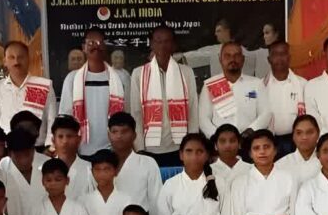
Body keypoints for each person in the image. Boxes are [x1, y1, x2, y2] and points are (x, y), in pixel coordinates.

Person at [130, 25, 199, 164]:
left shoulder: (186, 72)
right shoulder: (139, 74)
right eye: (158, 41)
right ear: (151, 44)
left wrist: (192, 144)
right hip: (149, 148)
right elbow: (136, 113)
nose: (163, 45)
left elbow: (192, 109)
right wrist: (139, 148)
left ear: (173, 45)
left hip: (180, 147)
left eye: (167, 41)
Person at [59, 28, 132, 155]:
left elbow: (128, 114)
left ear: (105, 46)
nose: (96, 47)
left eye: (100, 43)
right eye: (91, 43)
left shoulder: (121, 78)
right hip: (81, 151)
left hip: (113, 151)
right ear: (84, 47)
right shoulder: (72, 78)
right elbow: (65, 116)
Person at [225, 130, 298, 215]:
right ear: (250, 153)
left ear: (275, 150)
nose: (262, 151)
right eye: (256, 148)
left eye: (266, 147)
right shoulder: (240, 182)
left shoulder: (289, 178)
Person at [154, 134, 227, 215]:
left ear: (207, 155)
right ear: (181, 155)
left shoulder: (219, 182)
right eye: (189, 151)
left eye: (200, 152)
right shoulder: (170, 184)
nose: (194, 156)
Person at [0, 41, 56, 142]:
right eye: (12, 57)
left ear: (28, 59)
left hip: (37, 147)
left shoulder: (44, 85)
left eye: (21, 57)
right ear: (5, 61)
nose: (16, 62)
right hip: (7, 146)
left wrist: (50, 146)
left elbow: (52, 120)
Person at [198, 42, 272, 138]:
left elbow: (265, 113)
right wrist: (219, 138)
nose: (232, 59)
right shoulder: (210, 85)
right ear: (220, 59)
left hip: (249, 140)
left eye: (236, 55)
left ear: (243, 59)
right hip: (220, 143)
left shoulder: (256, 84)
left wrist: (249, 133)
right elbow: (203, 119)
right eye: (227, 56)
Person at [107, 112, 163, 211]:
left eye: (124, 131)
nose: (119, 136)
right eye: (114, 131)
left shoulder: (148, 163)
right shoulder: (100, 164)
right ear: (108, 135)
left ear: (134, 135)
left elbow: (156, 202)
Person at [262, 42, 307, 156]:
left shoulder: (303, 84)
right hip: (269, 141)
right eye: (275, 54)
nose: (279, 58)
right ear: (269, 59)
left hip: (296, 142)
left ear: (289, 57)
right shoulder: (261, 86)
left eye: (283, 54)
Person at [0, 127, 46, 215]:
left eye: (27, 155)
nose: (24, 161)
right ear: (9, 154)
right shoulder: (2, 169)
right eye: (18, 156)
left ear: (33, 150)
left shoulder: (47, 165)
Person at [180, 18, 257, 77]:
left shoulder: (243, 52)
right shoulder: (214, 49)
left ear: (227, 31)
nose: (215, 34)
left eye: (219, 31)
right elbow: (199, 53)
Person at [49, 116, 95, 199]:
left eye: (69, 136)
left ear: (78, 139)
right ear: (53, 140)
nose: (65, 141)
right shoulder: (45, 169)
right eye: (60, 136)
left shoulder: (90, 169)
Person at [275, 114, 322, 187]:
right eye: (299, 133)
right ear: (293, 136)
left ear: (318, 133)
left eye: (309, 132)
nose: (304, 137)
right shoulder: (280, 166)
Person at [208, 124, 251, 198]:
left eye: (232, 141)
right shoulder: (208, 171)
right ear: (215, 145)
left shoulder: (251, 169)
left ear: (239, 144)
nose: (227, 145)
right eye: (222, 141)